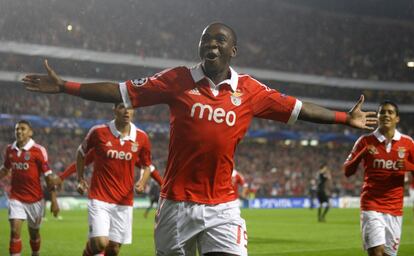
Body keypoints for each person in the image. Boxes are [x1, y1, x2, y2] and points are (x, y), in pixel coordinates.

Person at [22, 22, 377, 256]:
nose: (211, 44)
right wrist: (66, 87)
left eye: (220, 40)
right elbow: (119, 91)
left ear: (232, 50)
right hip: (176, 204)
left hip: (222, 206)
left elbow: (298, 109)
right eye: (206, 40)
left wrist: (346, 118)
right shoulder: (177, 80)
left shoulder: (250, 91)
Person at [76, 103, 152, 256]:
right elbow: (81, 153)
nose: (126, 111)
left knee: (113, 249)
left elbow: (147, 166)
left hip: (123, 202)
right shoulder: (98, 132)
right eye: (122, 107)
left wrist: (142, 182)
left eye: (130, 108)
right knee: (100, 243)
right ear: (114, 110)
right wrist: (80, 178)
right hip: (99, 197)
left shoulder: (141, 137)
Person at [343, 101, 414, 256]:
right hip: (371, 205)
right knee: (376, 252)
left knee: (388, 254)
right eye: (382, 112)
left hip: (395, 208)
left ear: (397, 118)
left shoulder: (408, 143)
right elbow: (347, 171)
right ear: (377, 117)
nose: (386, 115)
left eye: (390, 112)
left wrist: (408, 165)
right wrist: (363, 153)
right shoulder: (365, 141)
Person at [0, 120, 59, 256]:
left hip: (35, 200)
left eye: (22, 129)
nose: (19, 131)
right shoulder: (10, 149)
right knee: (14, 231)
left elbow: (48, 177)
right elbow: (5, 169)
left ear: (30, 132)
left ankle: (35, 252)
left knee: (34, 234)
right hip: (16, 198)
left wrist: (54, 201)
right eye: (17, 129)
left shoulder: (38, 150)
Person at [47, 149, 163, 188]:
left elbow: (148, 167)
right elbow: (83, 162)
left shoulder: (133, 144)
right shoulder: (102, 139)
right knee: (98, 240)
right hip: (100, 194)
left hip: (122, 197)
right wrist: (62, 177)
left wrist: (162, 184)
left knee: (114, 244)